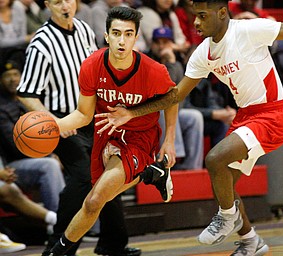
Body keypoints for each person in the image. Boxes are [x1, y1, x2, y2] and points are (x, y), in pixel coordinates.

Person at [100, 0, 283, 255]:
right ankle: (251, 242)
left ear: (222, 13)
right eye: (195, 16)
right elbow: (175, 96)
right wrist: (131, 112)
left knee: (214, 159)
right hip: (246, 117)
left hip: (272, 113)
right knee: (224, 185)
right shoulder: (203, 53)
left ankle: (227, 217)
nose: (196, 22)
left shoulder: (248, 30)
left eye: (203, 16)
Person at [40, 6, 177, 256]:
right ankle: (152, 174)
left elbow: (172, 98)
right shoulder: (92, 66)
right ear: (106, 36)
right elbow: (83, 114)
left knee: (94, 199)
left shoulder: (153, 70)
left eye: (128, 34)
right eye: (116, 33)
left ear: (136, 37)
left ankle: (56, 252)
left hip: (140, 136)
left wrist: (169, 140)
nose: (121, 40)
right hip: (105, 133)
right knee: (97, 197)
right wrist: (51, 127)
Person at [16, 1, 141, 255]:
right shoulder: (41, 42)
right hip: (62, 120)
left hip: (92, 116)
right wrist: (53, 124)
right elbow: (26, 93)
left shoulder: (84, 29)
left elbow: (98, 70)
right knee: (84, 177)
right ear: (48, 4)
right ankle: (58, 246)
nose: (65, 5)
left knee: (111, 172)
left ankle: (112, 244)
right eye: (58, 1)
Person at [0, 57, 65, 213]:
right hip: (13, 165)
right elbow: (17, 145)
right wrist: (49, 154)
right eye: (7, 76)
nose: (12, 79)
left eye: (16, 74)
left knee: (74, 163)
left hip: (37, 157)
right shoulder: (1, 108)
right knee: (49, 165)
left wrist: (57, 153)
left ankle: (92, 229)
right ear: (0, 80)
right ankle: (59, 226)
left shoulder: (29, 102)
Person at [150, 27, 204, 170]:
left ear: (172, 44)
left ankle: (193, 167)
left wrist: (172, 62)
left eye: (165, 42)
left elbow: (176, 92)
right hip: (151, 111)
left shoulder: (177, 64)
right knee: (162, 110)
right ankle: (174, 156)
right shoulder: (147, 61)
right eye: (158, 42)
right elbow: (161, 93)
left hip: (175, 110)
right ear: (152, 44)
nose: (161, 46)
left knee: (194, 116)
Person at [184, 77, 236, 148]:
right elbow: (185, 106)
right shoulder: (183, 77)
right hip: (185, 117)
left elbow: (211, 102)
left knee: (221, 125)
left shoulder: (204, 80)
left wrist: (225, 113)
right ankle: (191, 159)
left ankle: (219, 157)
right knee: (195, 117)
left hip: (204, 118)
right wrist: (213, 114)